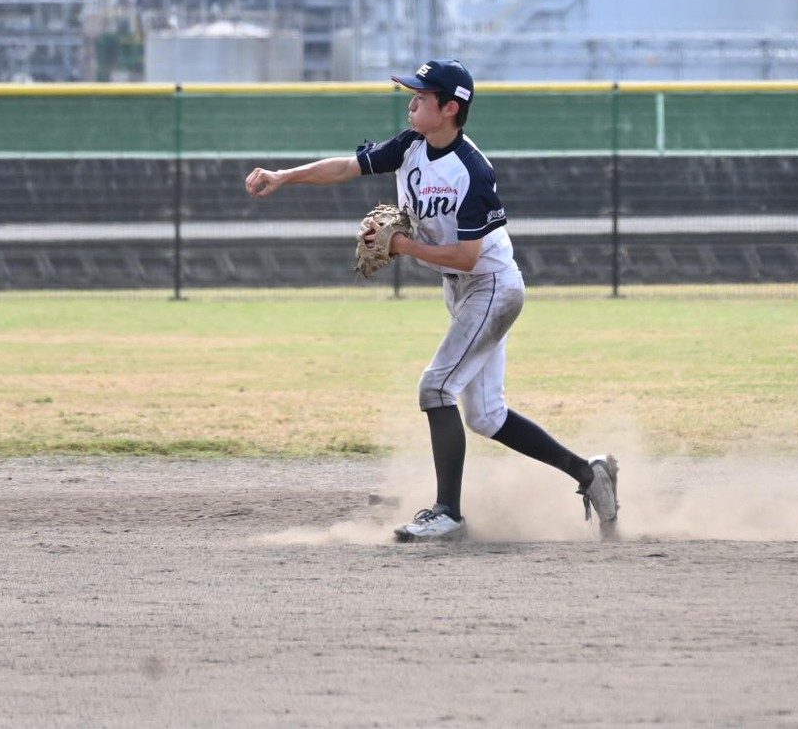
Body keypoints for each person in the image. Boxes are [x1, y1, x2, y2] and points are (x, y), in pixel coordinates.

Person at [244, 59, 619, 542]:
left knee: (434, 387)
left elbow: (466, 256)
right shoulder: (411, 147)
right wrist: (283, 175)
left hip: (491, 286)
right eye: (412, 92)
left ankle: (448, 513)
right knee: (486, 416)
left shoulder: (473, 171)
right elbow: (348, 166)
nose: (411, 99)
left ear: (450, 107)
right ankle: (589, 474)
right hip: (463, 290)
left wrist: (402, 246)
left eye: (422, 95)